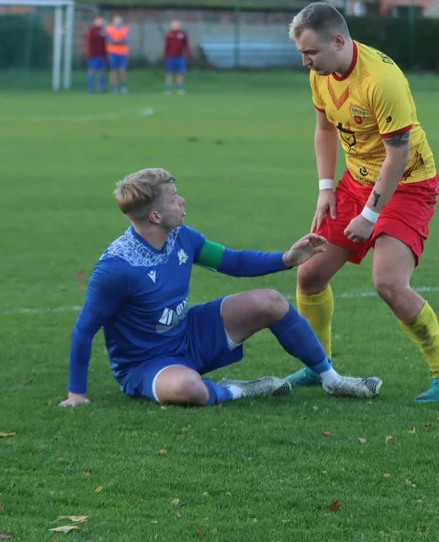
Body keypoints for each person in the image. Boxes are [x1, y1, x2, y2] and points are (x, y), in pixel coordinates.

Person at [59, 168, 382, 408]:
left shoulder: (183, 237)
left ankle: (331, 380)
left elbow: (233, 262)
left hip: (188, 335)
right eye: (174, 198)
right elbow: (84, 330)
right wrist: (76, 394)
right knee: (190, 389)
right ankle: (240, 389)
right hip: (146, 365)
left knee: (269, 301)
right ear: (155, 215)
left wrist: (287, 259)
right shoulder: (117, 268)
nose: (182, 201)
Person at [285, 2, 439, 404]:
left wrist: (370, 215)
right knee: (309, 276)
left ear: (338, 40)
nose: (305, 62)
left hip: (408, 184)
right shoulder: (323, 74)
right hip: (354, 183)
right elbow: (323, 130)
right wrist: (326, 187)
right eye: (301, 53)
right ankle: (319, 366)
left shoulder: (380, 80)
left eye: (310, 52)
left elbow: (397, 155)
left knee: (388, 283)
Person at [163, 20, 191, 95]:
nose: (176, 26)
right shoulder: (169, 34)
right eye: (174, 25)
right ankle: (168, 88)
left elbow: (186, 45)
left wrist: (188, 54)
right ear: (171, 26)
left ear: (180, 25)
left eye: (177, 25)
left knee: (180, 73)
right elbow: (166, 46)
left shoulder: (183, 34)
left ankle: (180, 88)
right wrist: (165, 55)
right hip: (171, 57)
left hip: (180, 57)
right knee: (169, 73)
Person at [106, 15, 130, 93]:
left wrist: (116, 41)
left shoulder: (125, 29)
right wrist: (119, 41)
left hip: (123, 53)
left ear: (121, 22)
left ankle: (123, 85)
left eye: (119, 21)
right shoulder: (109, 29)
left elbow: (126, 40)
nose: (117, 22)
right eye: (116, 21)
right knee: (113, 70)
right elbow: (109, 40)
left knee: (122, 70)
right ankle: (114, 87)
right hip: (112, 52)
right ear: (113, 22)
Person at [85, 16, 108, 93]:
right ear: (95, 22)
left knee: (102, 71)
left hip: (102, 55)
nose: (100, 23)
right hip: (93, 55)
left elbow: (105, 43)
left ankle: (102, 88)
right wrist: (90, 54)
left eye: (101, 21)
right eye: (98, 21)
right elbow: (89, 43)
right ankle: (91, 88)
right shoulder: (92, 30)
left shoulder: (103, 31)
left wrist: (105, 54)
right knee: (91, 71)